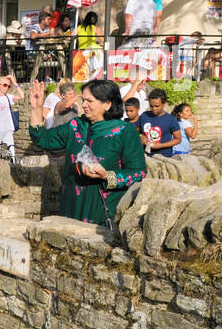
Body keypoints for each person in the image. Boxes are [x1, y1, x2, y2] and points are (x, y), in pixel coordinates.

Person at [27, 79, 148, 226]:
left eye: (89, 100)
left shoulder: (125, 131)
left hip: (102, 209)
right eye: (83, 100)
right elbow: (42, 139)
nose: (83, 104)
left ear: (107, 104)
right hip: (71, 205)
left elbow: (139, 172)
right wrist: (36, 109)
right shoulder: (76, 125)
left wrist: (107, 176)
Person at [136, 89, 183, 157]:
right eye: (151, 106)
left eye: (157, 106)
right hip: (145, 156)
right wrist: (141, 136)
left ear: (164, 104)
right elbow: (135, 132)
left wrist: (161, 145)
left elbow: (178, 139)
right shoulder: (144, 116)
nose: (154, 108)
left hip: (164, 157)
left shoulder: (171, 119)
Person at [0, 75, 24, 162]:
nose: (7, 87)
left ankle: (10, 165)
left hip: (7, 128)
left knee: (11, 151)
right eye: (5, 85)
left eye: (9, 86)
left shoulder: (8, 97)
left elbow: (22, 96)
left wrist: (14, 82)